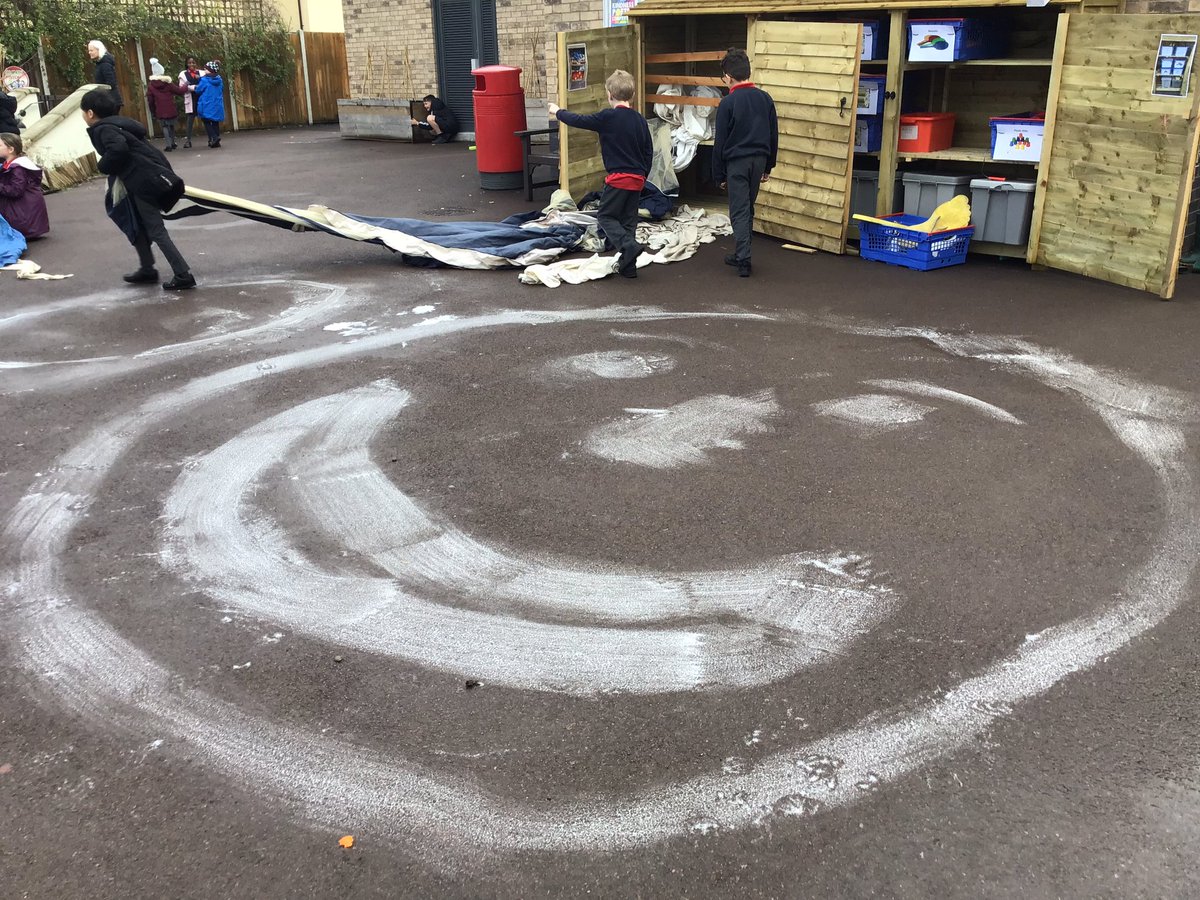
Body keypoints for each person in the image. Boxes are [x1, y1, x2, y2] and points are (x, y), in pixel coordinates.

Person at [80, 88, 195, 290]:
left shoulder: (104, 129)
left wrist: (102, 166)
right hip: (143, 178)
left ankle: (183, 274)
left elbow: (119, 149)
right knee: (136, 221)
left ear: (90, 113)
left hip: (143, 182)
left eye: (83, 112)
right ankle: (147, 269)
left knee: (155, 229)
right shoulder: (119, 124)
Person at [548, 70, 652, 279]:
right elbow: (649, 150)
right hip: (638, 178)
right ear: (631, 95)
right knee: (628, 221)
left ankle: (629, 246)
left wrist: (558, 111)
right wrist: (643, 175)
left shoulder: (607, 117)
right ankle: (627, 267)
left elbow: (579, 120)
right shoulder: (639, 119)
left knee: (606, 216)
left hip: (618, 177)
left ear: (609, 95)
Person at [712, 48, 777, 278]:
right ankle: (742, 251)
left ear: (728, 77)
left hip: (737, 162)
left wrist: (718, 174)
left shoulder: (728, 103)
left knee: (738, 209)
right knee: (748, 206)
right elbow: (773, 134)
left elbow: (720, 142)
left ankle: (744, 259)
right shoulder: (765, 98)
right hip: (759, 160)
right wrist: (769, 165)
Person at [0, 133, 49, 239]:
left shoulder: (18, 169)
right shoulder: (11, 165)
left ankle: (23, 233)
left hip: (23, 213)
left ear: (10, 149)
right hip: (22, 209)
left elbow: (16, 191)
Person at [147, 58, 188, 151]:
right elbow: (179, 91)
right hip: (170, 108)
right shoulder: (168, 83)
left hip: (160, 109)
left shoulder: (151, 86)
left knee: (164, 126)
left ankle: (168, 145)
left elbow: (150, 100)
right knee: (171, 125)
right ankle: (173, 142)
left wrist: (152, 110)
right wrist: (186, 85)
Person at [192, 60, 225, 149]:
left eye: (205, 69)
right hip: (217, 104)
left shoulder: (204, 80)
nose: (204, 70)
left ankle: (214, 137)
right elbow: (222, 89)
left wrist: (194, 87)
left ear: (210, 70)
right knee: (215, 122)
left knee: (206, 121)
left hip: (206, 104)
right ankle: (216, 141)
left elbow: (199, 90)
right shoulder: (219, 80)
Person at [87, 40, 123, 110]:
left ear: (98, 50)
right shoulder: (100, 64)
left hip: (111, 101)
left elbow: (110, 84)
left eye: (91, 50)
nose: (89, 52)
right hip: (108, 100)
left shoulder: (105, 64)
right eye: (89, 51)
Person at [178, 57, 201, 148]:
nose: (191, 64)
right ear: (187, 64)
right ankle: (188, 141)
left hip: (201, 99)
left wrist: (199, 81)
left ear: (196, 64)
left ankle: (212, 138)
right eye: (189, 63)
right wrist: (194, 87)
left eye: (193, 62)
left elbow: (206, 84)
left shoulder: (202, 73)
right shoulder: (183, 74)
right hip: (190, 99)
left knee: (206, 119)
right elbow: (182, 87)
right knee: (190, 121)